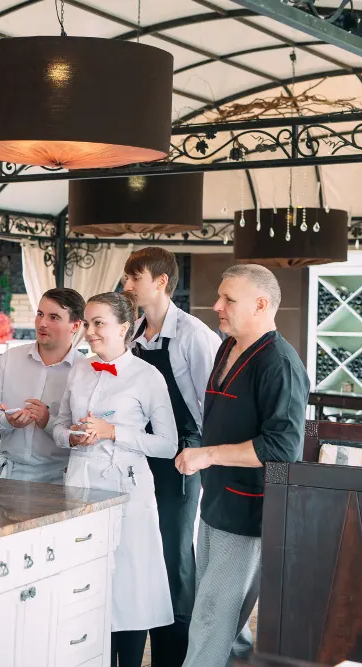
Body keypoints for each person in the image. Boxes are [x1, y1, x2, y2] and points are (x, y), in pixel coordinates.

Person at [176, 264, 309, 667]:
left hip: (250, 510)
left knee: (212, 617)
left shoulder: (280, 364)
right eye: (219, 296)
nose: (216, 305)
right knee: (224, 621)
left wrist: (208, 454)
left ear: (261, 304)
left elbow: (282, 448)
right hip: (215, 504)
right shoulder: (226, 346)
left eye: (228, 299)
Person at [52, 292, 178, 667]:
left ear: (124, 327)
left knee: (128, 586)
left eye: (98, 323)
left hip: (129, 491)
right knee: (85, 581)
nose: (89, 332)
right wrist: (71, 436)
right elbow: (58, 426)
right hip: (79, 486)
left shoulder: (147, 376)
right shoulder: (79, 370)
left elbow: (168, 445)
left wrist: (113, 432)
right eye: (87, 324)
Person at [121, 247, 222, 666]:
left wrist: (200, 453)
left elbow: (214, 405)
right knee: (140, 551)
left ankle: (173, 658)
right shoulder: (135, 333)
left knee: (175, 556)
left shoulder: (194, 336)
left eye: (134, 278)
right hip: (137, 454)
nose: (126, 286)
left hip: (182, 456)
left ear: (161, 281)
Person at [0, 288, 85, 484]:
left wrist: (47, 422)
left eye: (54, 317)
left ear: (75, 325)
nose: (42, 323)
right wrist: (6, 420)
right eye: (40, 314)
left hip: (60, 479)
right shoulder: (10, 358)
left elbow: (83, 435)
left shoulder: (85, 371)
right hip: (11, 475)